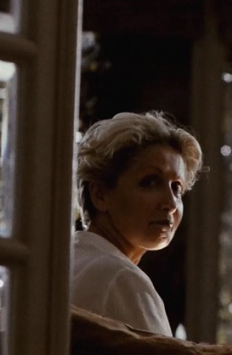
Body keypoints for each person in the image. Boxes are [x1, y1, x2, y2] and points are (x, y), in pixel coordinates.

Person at [72, 111, 203, 337]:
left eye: (176, 188)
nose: (171, 203)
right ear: (100, 195)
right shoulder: (120, 278)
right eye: (150, 182)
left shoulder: (68, 262)